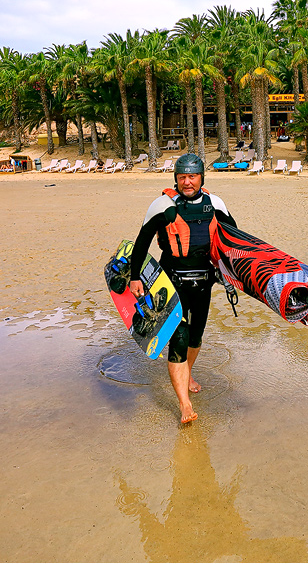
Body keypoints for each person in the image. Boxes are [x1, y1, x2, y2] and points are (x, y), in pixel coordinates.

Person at [129, 154, 237, 424]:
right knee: (179, 337)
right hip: (171, 281)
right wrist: (134, 277)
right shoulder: (162, 205)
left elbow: (234, 238)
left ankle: (187, 374)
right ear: (175, 178)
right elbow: (141, 243)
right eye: (182, 177)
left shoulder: (215, 204)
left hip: (203, 281)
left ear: (201, 177)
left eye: (192, 177)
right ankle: (184, 404)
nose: (187, 182)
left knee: (196, 336)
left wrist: (234, 273)